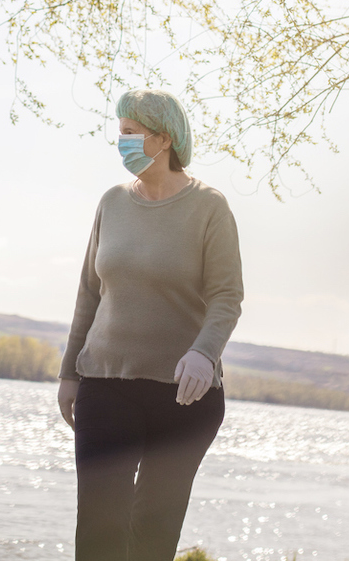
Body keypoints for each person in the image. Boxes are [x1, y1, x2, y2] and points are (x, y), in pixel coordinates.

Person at [57, 88, 244, 561]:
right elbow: (88, 292)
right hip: (106, 383)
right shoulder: (112, 202)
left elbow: (227, 296)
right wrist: (68, 374)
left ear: (162, 139)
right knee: (99, 532)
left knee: (152, 538)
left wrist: (205, 352)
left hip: (182, 395)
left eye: (129, 133)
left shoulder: (210, 207)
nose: (121, 143)